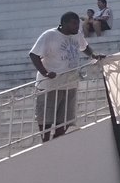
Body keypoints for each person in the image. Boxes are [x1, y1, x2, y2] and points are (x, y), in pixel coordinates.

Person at [30, 11, 104, 141]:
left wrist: (93, 55)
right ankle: (45, 142)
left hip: (70, 83)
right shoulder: (50, 35)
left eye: (78, 24)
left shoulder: (77, 35)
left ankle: (57, 140)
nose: (77, 27)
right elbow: (34, 54)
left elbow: (84, 47)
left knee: (66, 119)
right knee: (46, 118)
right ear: (64, 23)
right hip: (50, 84)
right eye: (74, 24)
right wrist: (45, 73)